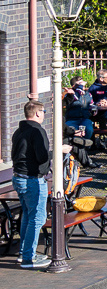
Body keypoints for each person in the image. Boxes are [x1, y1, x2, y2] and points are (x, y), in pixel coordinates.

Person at [10, 100, 51, 269]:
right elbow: (42, 157)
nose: (44, 115)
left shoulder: (18, 131)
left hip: (18, 177)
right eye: (43, 111)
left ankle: (23, 253)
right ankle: (28, 258)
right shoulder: (37, 131)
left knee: (27, 215)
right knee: (37, 218)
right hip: (32, 179)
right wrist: (57, 151)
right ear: (37, 113)